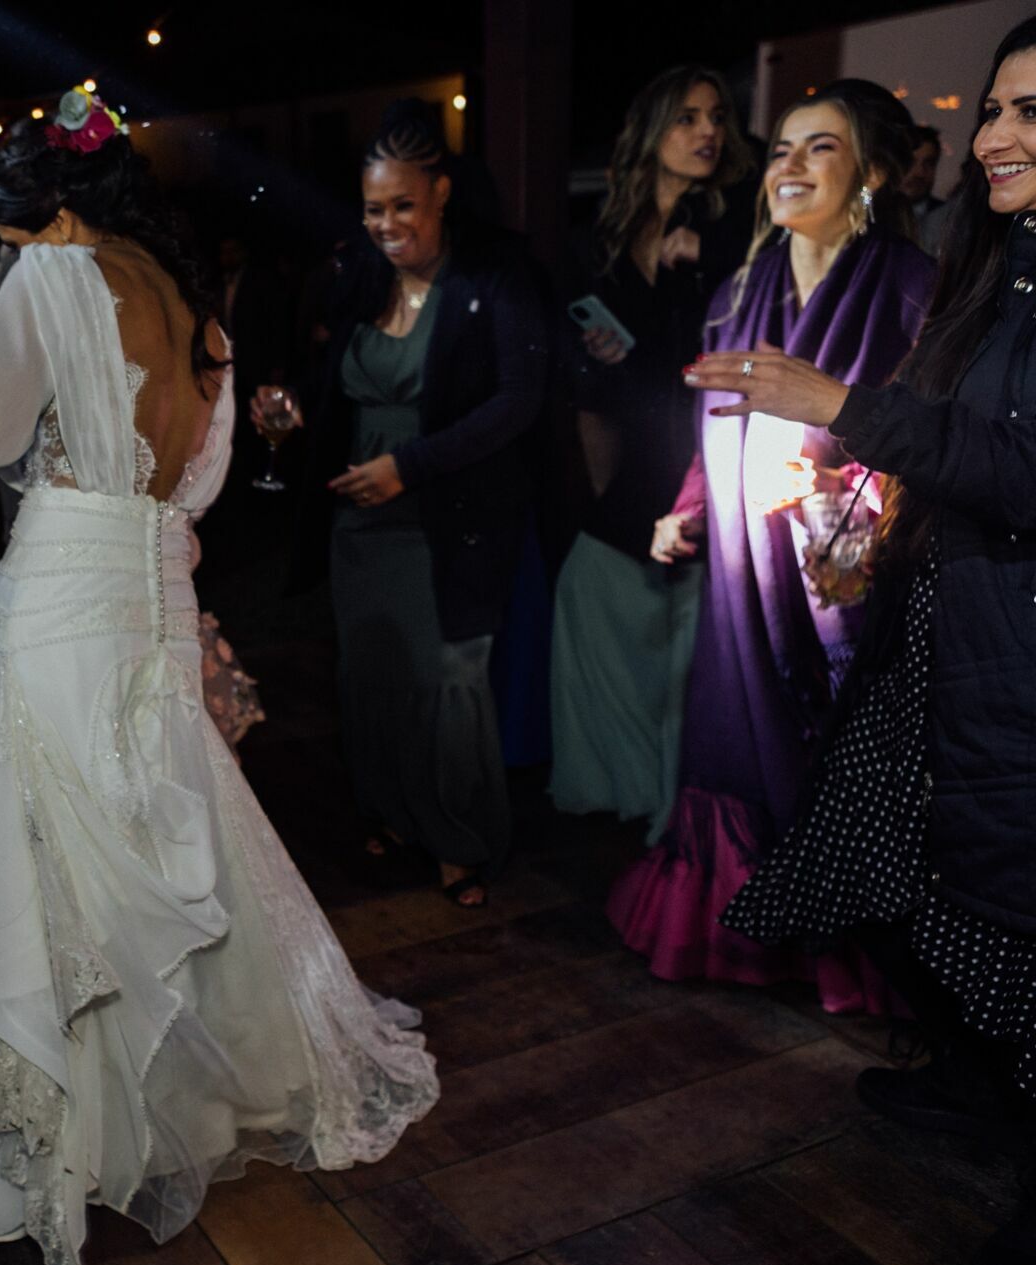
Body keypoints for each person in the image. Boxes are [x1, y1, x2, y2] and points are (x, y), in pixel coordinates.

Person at [0, 85, 438, 1265]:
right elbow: (191, 490)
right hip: (152, 596)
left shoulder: (53, 277)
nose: (8, 260)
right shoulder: (194, 305)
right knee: (162, 848)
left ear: (47, 221)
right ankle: (194, 1104)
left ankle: (74, 1144)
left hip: (59, 604)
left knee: (55, 863)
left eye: (7, 240)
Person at [714, 21, 1036, 1265]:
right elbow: (961, 429)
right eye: (995, 111)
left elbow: (1023, 466)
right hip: (959, 626)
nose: (996, 136)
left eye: (1027, 114)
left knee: (1013, 909)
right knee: (938, 877)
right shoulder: (1001, 261)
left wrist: (839, 405)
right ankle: (975, 1083)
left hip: (1013, 642)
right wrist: (861, 455)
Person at [608, 80, 937, 1010]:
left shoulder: (914, 291)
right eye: (783, 149)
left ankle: (848, 943)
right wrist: (689, 508)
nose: (789, 166)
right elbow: (713, 426)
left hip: (850, 576)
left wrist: (856, 506)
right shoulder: (739, 290)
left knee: (840, 741)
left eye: (820, 148)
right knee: (738, 728)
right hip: (744, 572)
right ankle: (760, 931)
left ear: (871, 173)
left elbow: (935, 437)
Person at [265, 99, 553, 908]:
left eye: (403, 206)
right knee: (374, 677)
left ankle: (462, 838)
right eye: (372, 208)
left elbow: (518, 402)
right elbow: (333, 390)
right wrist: (290, 416)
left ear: (442, 193)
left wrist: (410, 467)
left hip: (448, 518)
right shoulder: (356, 276)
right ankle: (393, 811)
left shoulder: (497, 276)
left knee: (446, 683)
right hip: (361, 525)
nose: (386, 224)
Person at [549, 66, 755, 841]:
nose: (708, 132)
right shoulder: (605, 234)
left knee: (690, 652)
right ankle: (633, 789)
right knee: (589, 596)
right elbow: (597, 381)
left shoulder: (737, 224)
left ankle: (683, 814)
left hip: (713, 451)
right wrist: (599, 354)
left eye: (716, 117)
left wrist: (704, 257)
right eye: (687, 118)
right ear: (652, 131)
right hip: (640, 450)